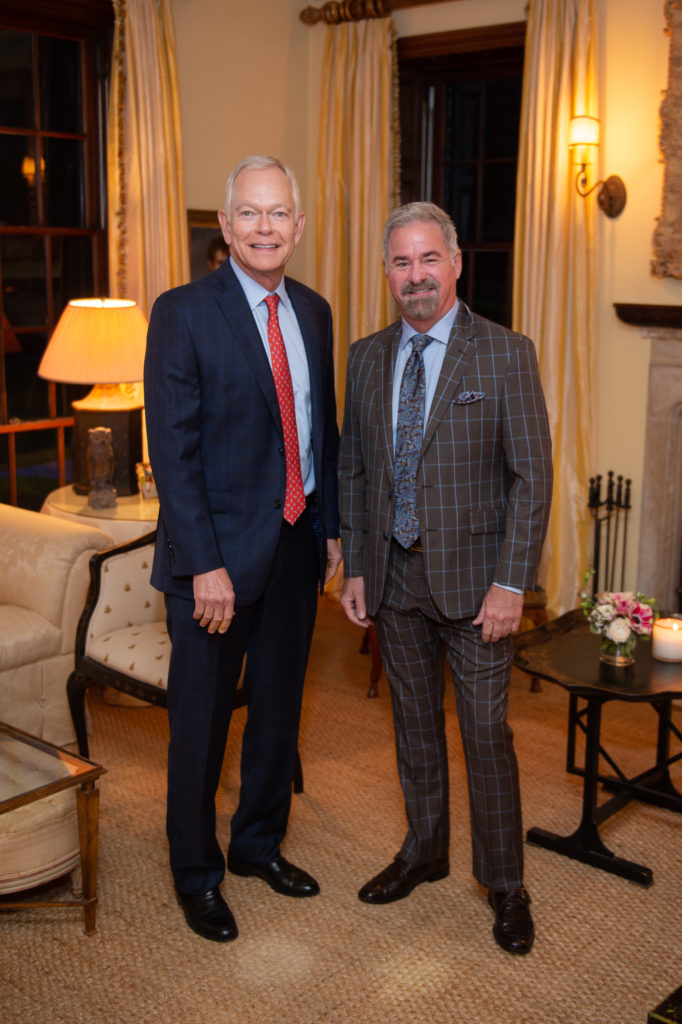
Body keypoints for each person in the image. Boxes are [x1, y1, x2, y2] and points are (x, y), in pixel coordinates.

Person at [338, 202, 552, 955]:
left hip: (476, 588)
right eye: (402, 262)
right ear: (388, 272)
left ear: (455, 264)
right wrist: (357, 566)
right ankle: (425, 850)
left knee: (486, 733)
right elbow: (355, 470)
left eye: (429, 259)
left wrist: (512, 584)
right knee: (413, 726)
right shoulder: (365, 357)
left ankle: (505, 884)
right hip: (393, 582)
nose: (416, 275)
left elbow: (532, 478)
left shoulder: (504, 352)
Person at [144, 155, 341, 943]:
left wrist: (329, 532)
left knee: (277, 714)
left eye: (279, 213)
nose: (266, 227)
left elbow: (317, 432)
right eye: (249, 214)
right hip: (214, 563)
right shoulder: (182, 312)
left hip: (295, 548)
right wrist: (204, 565)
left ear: (299, 225)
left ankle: (259, 844)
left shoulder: (317, 312)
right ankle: (195, 874)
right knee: (200, 727)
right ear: (224, 228)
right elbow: (174, 449)